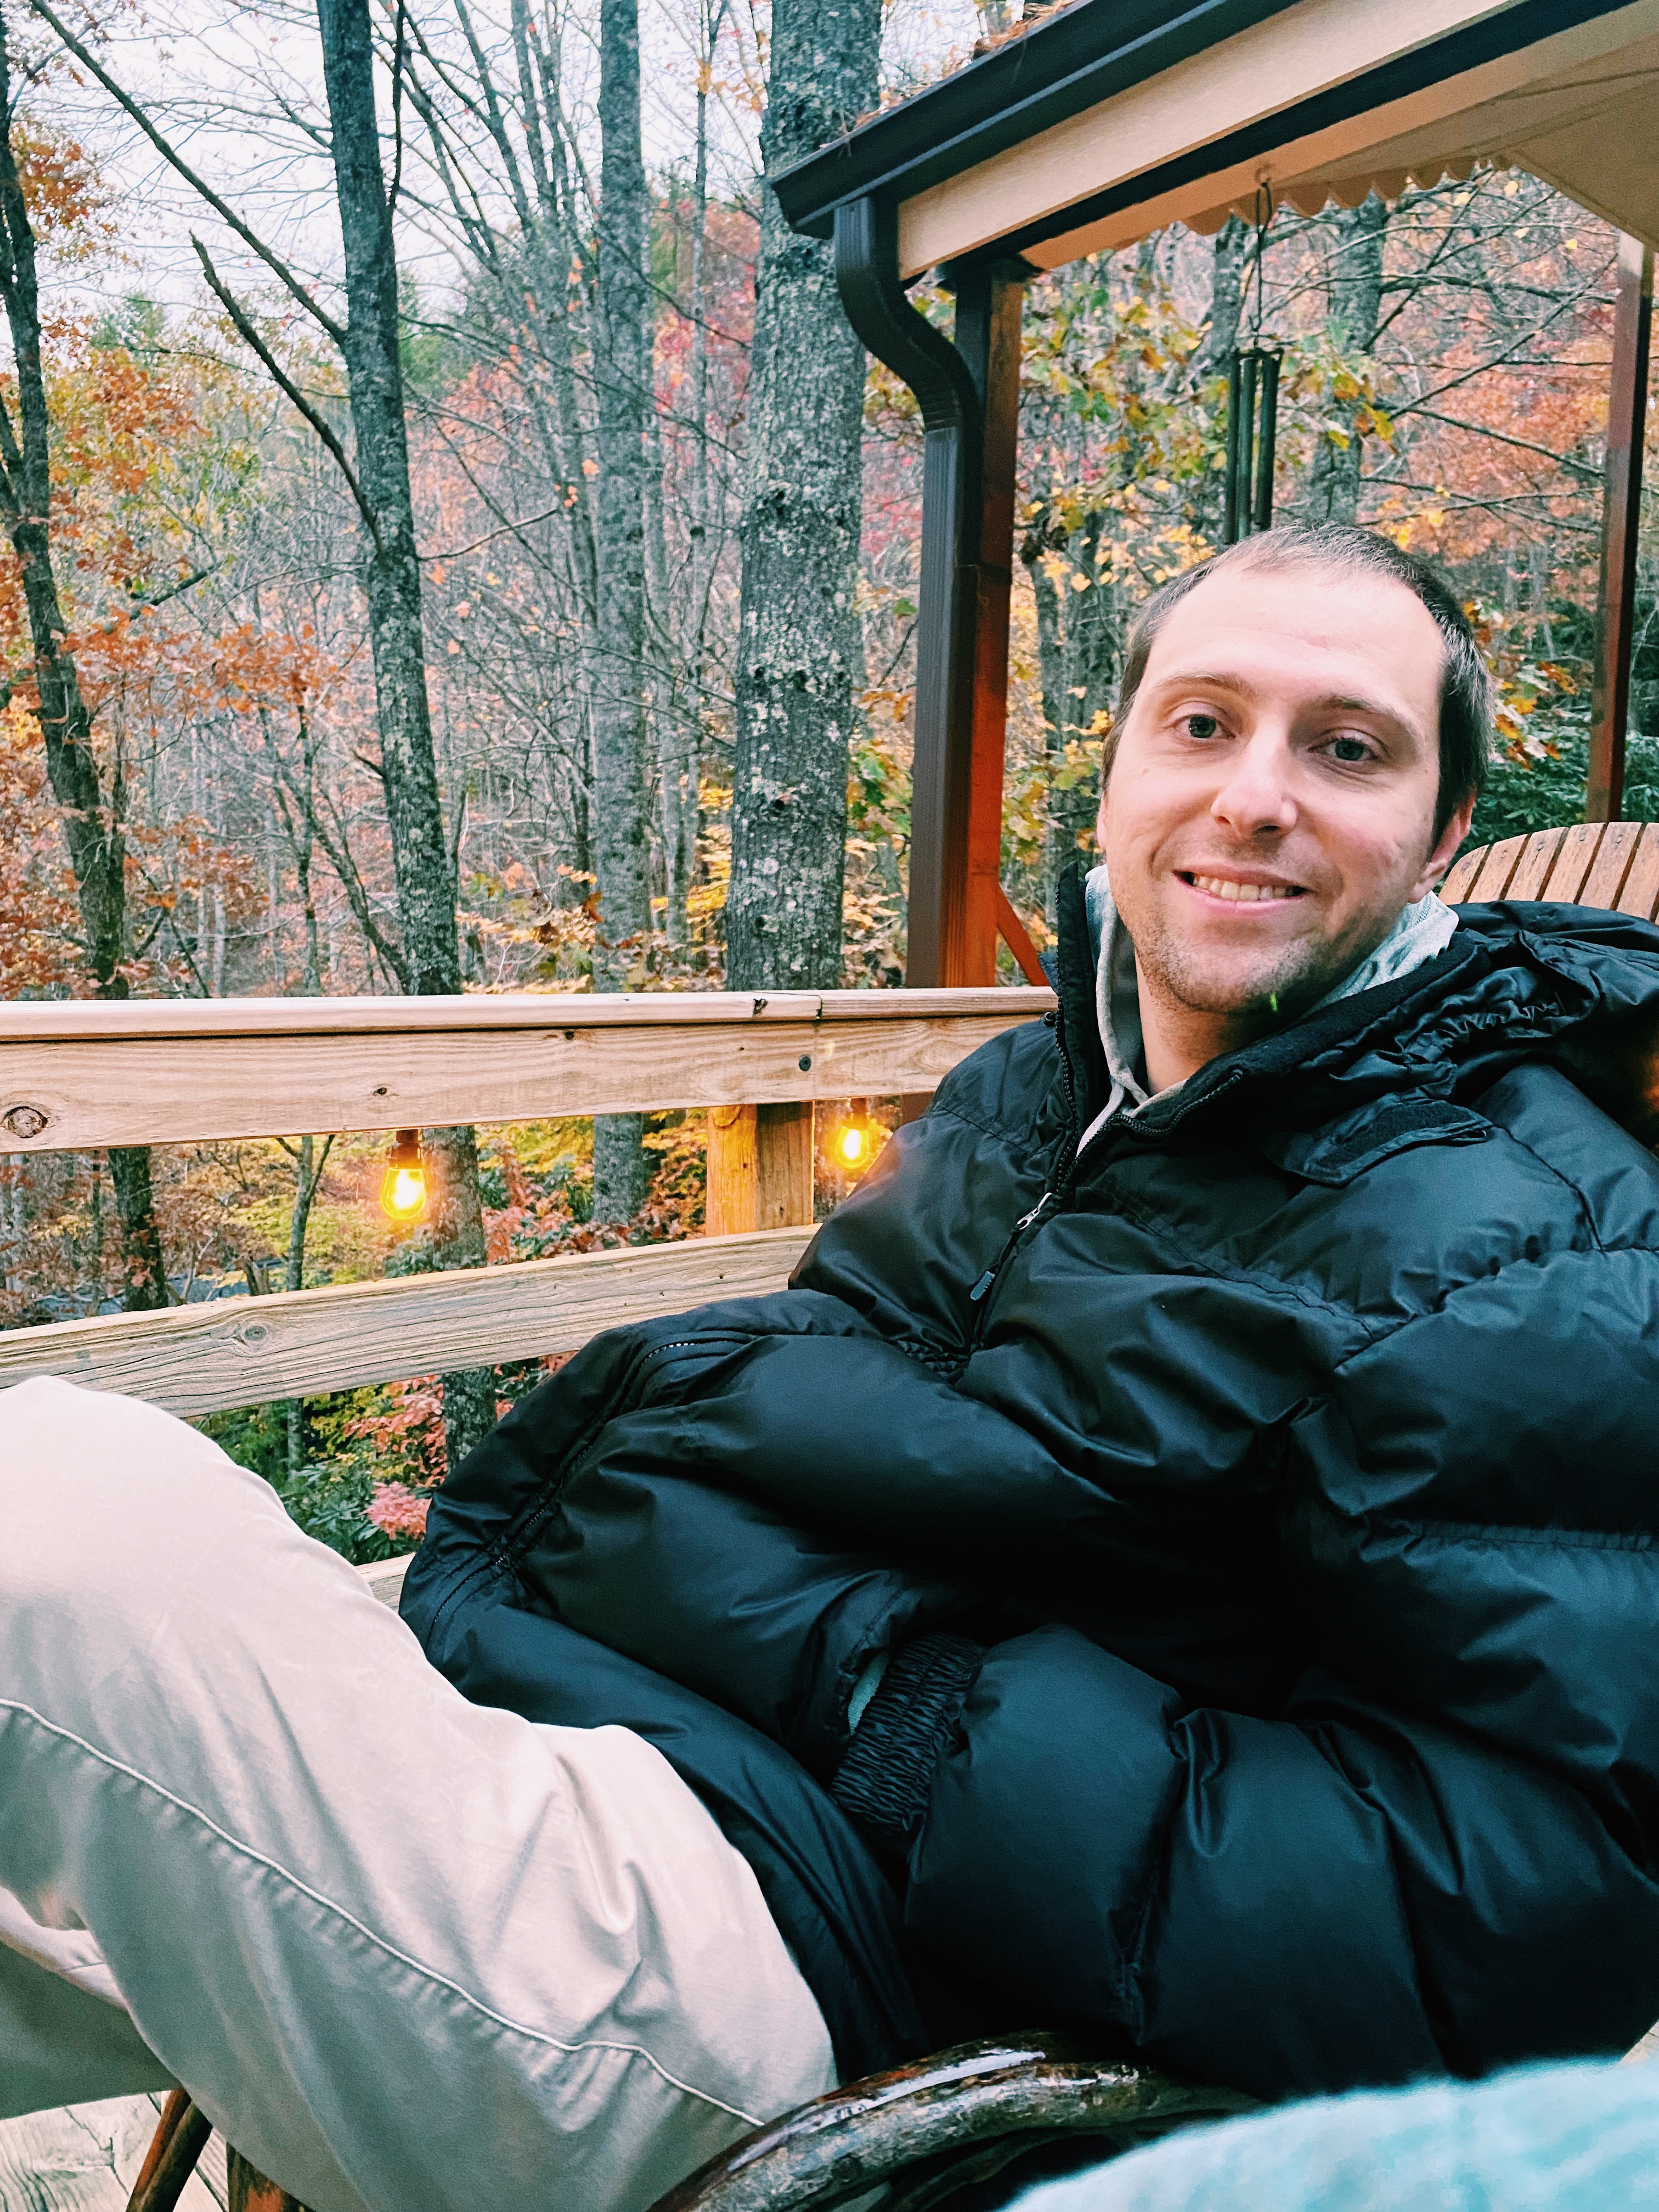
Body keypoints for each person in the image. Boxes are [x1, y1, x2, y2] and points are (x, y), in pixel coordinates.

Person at [4, 522, 1657, 2210]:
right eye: (1202, 723)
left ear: (1446, 831)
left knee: (66, 1512)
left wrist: (896, 1708)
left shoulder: (1534, 1248)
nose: (1254, 795)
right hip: (636, 1756)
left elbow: (1501, 1920)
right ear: (1116, 777)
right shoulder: (1031, 1099)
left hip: (847, 2003)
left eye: (1349, 748)